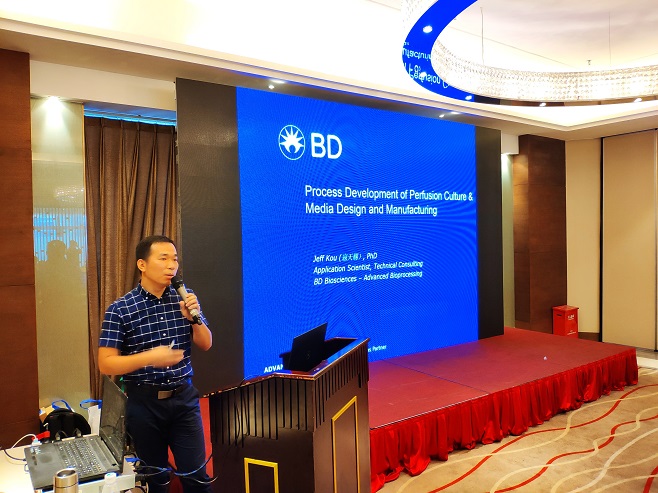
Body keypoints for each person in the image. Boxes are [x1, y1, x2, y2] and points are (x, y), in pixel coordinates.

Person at [98, 235, 213, 493]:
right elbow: (106, 364)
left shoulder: (184, 298)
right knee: (156, 480)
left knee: (197, 479)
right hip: (144, 405)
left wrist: (193, 319)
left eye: (175, 259)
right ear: (142, 264)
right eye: (163, 258)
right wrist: (150, 357)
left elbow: (206, 343)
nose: (172, 265)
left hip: (184, 400)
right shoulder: (120, 309)